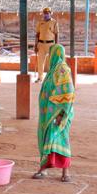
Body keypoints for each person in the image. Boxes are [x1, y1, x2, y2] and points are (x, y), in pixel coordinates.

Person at [33, 44, 74, 182]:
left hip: (58, 114)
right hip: (48, 115)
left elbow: (68, 92)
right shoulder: (52, 71)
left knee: (62, 140)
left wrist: (61, 114)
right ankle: (43, 169)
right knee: (48, 140)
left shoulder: (62, 69)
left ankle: (65, 172)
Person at [34, 7, 58, 82]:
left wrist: (56, 45)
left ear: (50, 13)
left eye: (48, 13)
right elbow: (37, 34)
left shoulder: (54, 22)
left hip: (51, 44)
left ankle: (51, 78)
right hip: (41, 43)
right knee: (40, 62)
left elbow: (56, 34)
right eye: (45, 13)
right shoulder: (40, 22)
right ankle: (40, 78)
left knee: (51, 61)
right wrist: (35, 45)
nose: (46, 14)